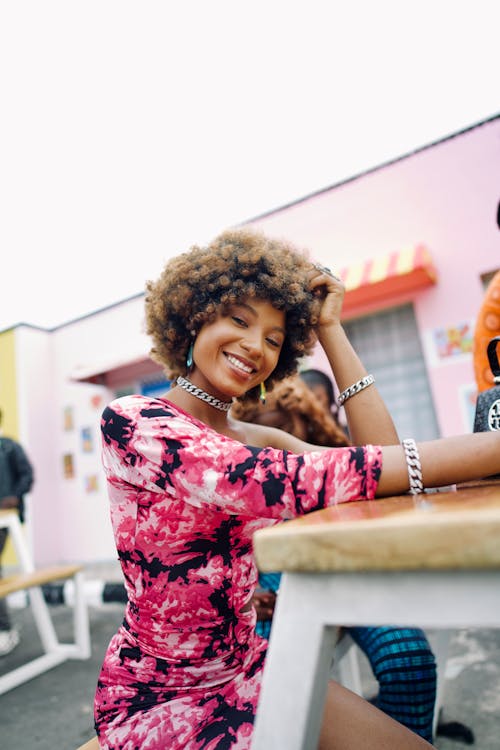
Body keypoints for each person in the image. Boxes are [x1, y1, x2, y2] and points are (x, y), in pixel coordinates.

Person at [94, 227, 500, 749]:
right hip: (161, 700)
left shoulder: (255, 436)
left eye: (273, 339)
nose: (252, 346)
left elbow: (381, 474)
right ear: (195, 315)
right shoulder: (134, 421)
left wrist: (330, 329)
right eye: (238, 320)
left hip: (251, 666)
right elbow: (279, 482)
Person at [231, 374, 437, 743]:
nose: (272, 450)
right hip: (276, 590)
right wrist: (251, 591)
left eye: (280, 431)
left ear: (304, 423)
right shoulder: (233, 462)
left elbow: (385, 469)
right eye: (260, 436)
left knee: (409, 661)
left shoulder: (331, 456)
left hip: (350, 579)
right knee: (270, 679)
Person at [0, 409, 34, 656]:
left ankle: (5, 629)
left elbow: (27, 475)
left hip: (5, 518)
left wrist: (14, 497)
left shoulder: (9, 447)